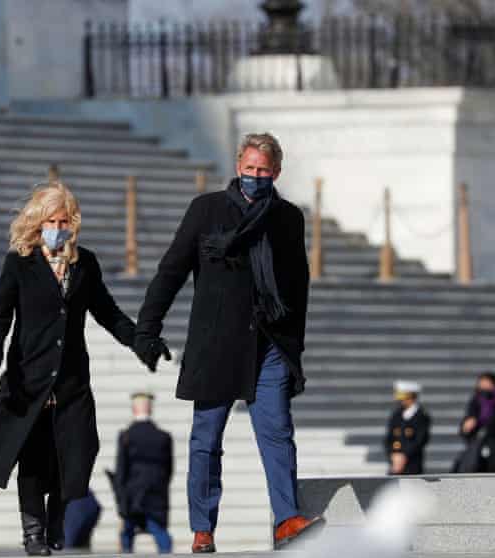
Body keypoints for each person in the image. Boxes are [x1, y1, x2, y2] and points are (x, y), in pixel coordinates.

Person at [131, 132, 322, 552]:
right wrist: (147, 327)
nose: (256, 177)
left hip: (268, 343)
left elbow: (298, 286)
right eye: (250, 169)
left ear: (276, 172)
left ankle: (287, 519)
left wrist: (295, 351)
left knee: (277, 431)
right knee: (206, 438)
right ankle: (203, 528)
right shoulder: (207, 211)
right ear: (238, 166)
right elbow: (172, 270)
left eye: (264, 171)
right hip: (217, 343)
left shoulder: (287, 217)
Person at [0, 182, 144, 556]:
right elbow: (0, 314)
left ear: (73, 223)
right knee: (35, 462)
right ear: (37, 225)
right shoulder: (19, 262)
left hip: (71, 381)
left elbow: (107, 312)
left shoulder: (84, 263)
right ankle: (33, 534)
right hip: (30, 378)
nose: (58, 227)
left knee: (80, 453)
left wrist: (140, 340)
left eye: (64, 220)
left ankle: (56, 520)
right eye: (50, 220)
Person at [110, 392, 174, 554]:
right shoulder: (163, 437)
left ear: (133, 409)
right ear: (150, 410)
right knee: (160, 533)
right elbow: (168, 469)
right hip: (156, 492)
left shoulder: (126, 436)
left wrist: (120, 495)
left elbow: (121, 469)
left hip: (133, 494)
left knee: (127, 534)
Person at [384, 381, 432, 475]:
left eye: (404, 398)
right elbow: (388, 439)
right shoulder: (396, 415)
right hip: (395, 464)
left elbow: (420, 440)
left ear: (411, 397)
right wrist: (393, 455)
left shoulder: (421, 416)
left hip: (412, 465)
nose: (401, 401)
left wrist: (404, 455)